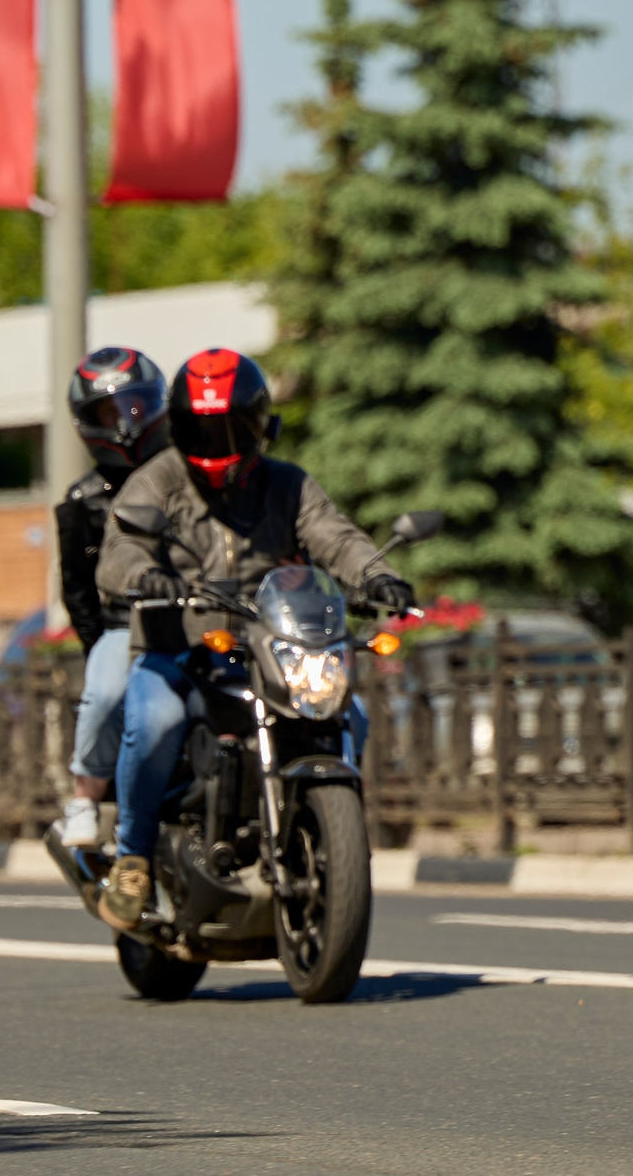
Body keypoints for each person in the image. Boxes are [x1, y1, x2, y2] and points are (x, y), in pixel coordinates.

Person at [91, 348, 416, 933]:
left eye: (231, 427)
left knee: (354, 715)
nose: (216, 442)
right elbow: (119, 550)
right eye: (201, 428)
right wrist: (144, 576)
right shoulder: (157, 479)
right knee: (156, 722)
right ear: (177, 426)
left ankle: (327, 840)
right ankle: (133, 857)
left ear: (259, 424)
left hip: (268, 647)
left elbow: (335, 537)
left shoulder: (287, 485)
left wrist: (377, 576)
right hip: (177, 649)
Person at [53, 347, 170, 849]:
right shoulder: (81, 502)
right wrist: (99, 646)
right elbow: (77, 590)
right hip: (126, 626)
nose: (125, 422)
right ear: (87, 423)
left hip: (203, 618)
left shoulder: (184, 477)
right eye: (109, 413)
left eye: (135, 407)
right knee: (105, 692)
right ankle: (85, 797)